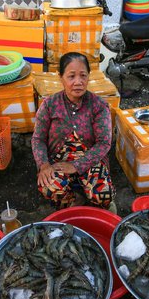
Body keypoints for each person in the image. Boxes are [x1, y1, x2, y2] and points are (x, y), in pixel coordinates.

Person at [31, 52, 115, 211]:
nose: (78, 82)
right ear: (60, 77)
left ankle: (91, 201)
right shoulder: (49, 104)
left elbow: (104, 143)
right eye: (71, 76)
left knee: (103, 195)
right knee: (50, 188)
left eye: (83, 75)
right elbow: (38, 139)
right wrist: (44, 165)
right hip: (58, 161)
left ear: (89, 76)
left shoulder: (98, 105)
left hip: (90, 159)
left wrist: (76, 165)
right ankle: (75, 200)